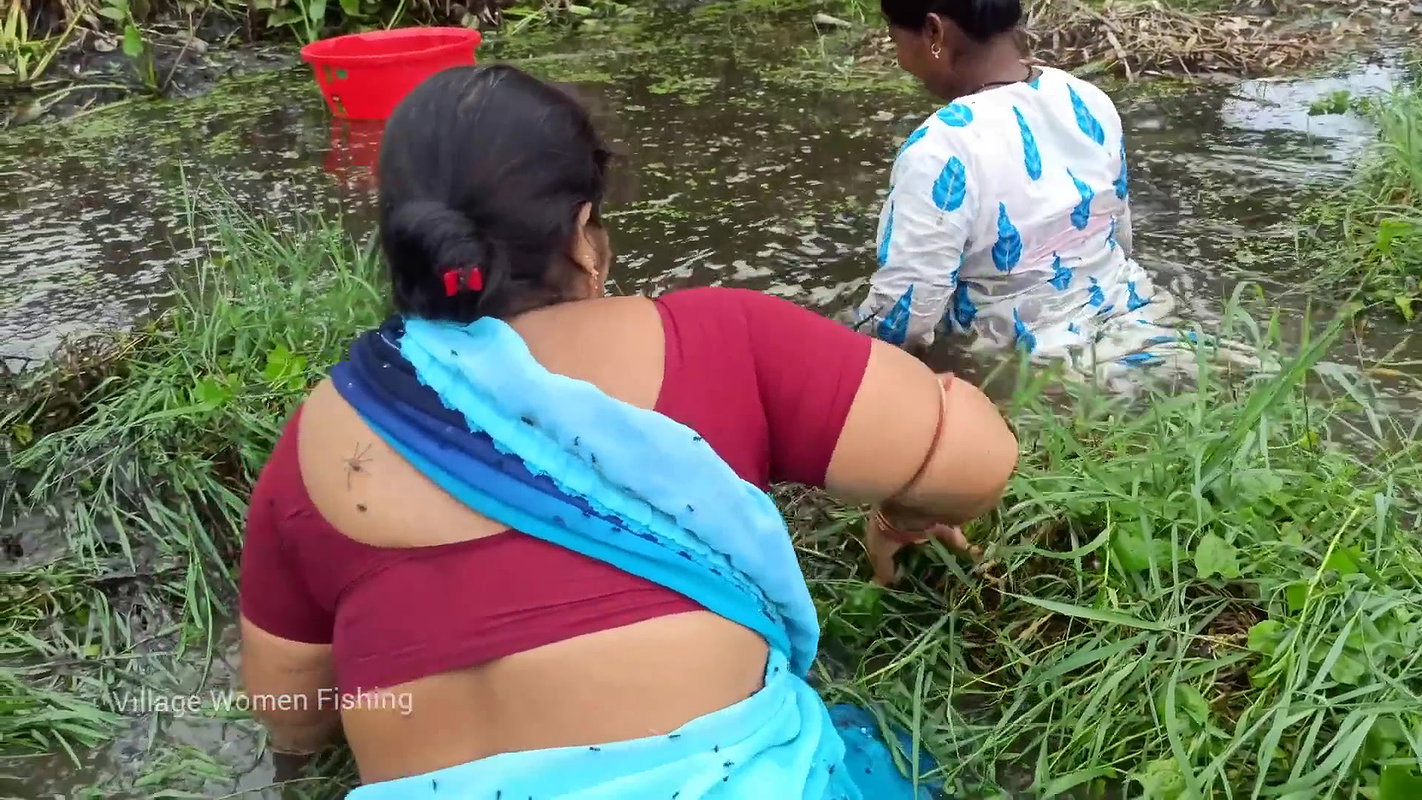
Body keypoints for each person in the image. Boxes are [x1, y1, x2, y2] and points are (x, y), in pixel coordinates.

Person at [238, 65, 1018, 799]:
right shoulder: (712, 342)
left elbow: (292, 715)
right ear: (583, 234)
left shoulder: (319, 439)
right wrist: (902, 517)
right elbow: (975, 461)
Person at [853, 0, 1213, 382]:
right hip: (1141, 320)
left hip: (1037, 370)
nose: (900, 60)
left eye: (895, 39)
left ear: (933, 32)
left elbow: (904, 319)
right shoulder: (1086, 99)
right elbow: (1118, 238)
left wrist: (845, 357)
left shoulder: (941, 148)